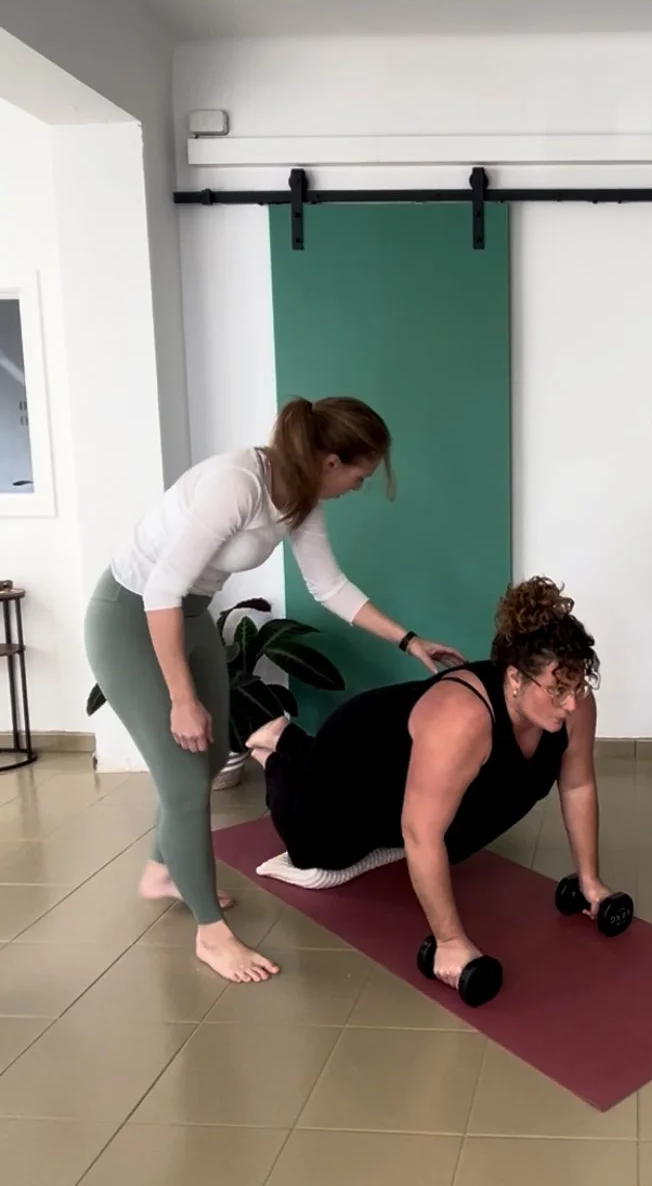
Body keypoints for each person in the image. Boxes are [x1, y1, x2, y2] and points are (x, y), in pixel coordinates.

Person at [85, 396, 462, 985]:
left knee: (213, 752)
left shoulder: (299, 498)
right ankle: (211, 935)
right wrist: (182, 699)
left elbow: (329, 586)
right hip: (132, 615)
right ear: (331, 461)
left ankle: (163, 871)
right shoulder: (238, 483)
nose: (358, 487)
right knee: (184, 772)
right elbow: (160, 590)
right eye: (360, 475)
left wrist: (409, 640)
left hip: (189, 614)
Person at [246, 577, 619, 991]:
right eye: (558, 690)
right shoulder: (462, 720)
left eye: (578, 685)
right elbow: (420, 834)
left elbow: (578, 787)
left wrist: (589, 881)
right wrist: (450, 942)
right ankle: (278, 744)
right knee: (316, 855)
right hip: (356, 758)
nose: (571, 702)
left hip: (413, 764)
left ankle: (297, 748)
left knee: (444, 818)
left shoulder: (574, 707)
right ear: (515, 678)